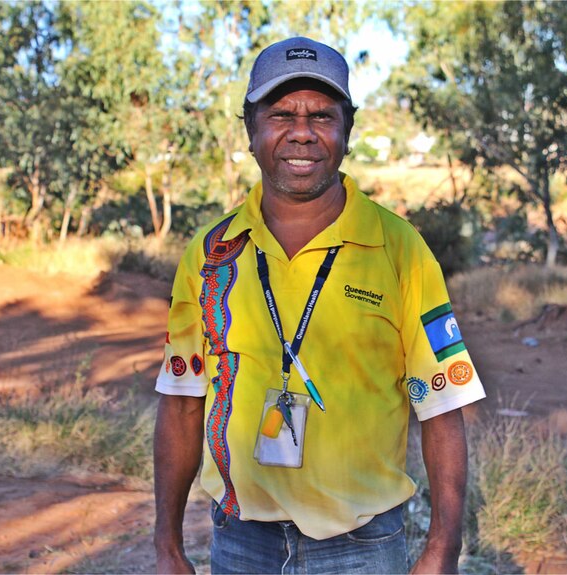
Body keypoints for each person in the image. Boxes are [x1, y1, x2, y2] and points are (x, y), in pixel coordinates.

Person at [153, 36, 486, 575]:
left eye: (322, 115)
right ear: (250, 129)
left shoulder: (400, 250)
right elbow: (182, 398)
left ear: (347, 131)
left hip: (364, 546)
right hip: (240, 542)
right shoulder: (212, 255)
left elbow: (441, 405)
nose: (302, 132)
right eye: (281, 114)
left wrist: (444, 547)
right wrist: (167, 543)